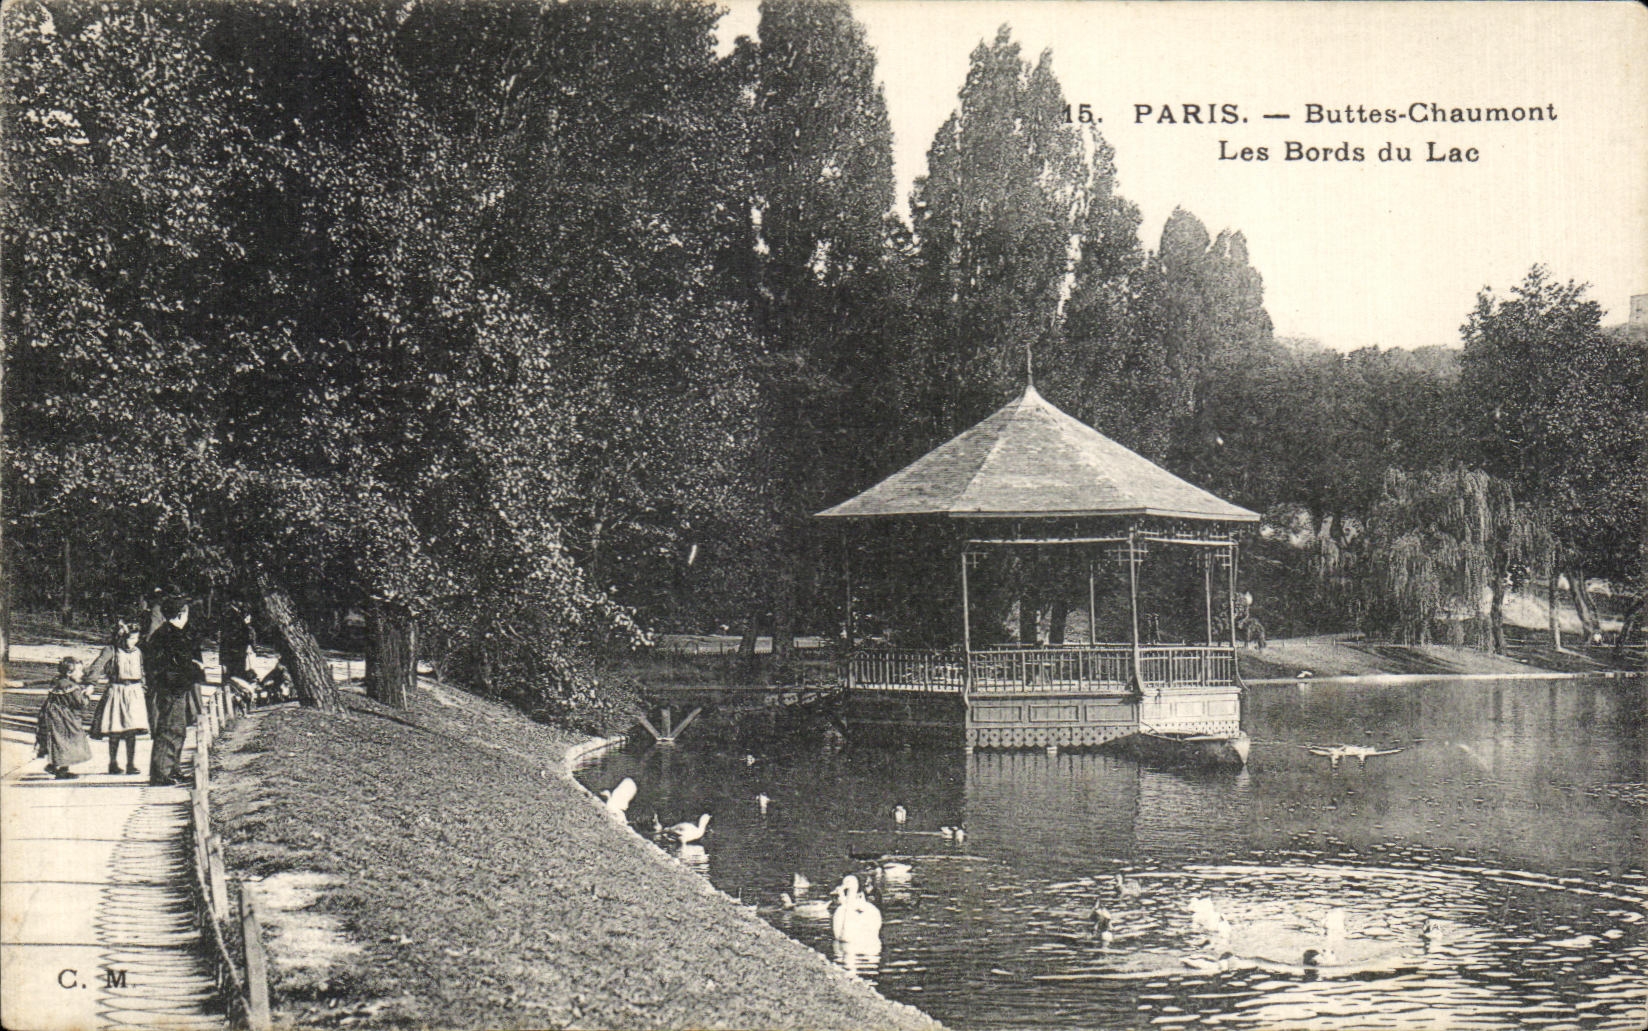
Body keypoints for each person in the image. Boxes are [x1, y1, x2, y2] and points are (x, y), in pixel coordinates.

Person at [144, 596, 203, 786]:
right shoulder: (170, 635)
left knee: (178, 730)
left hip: (176, 688)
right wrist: (193, 669)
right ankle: (161, 773)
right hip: (172, 689)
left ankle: (172, 768)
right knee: (170, 729)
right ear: (181, 613)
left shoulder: (170, 633)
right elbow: (171, 666)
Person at [90, 622, 149, 775]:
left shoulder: (138, 652)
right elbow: (97, 666)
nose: (133, 642)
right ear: (121, 638)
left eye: (136, 638)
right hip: (117, 690)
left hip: (134, 692)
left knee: (132, 729)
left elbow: (143, 670)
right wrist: (90, 683)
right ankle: (113, 762)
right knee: (115, 728)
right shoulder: (112, 651)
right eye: (131, 639)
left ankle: (131, 763)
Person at [36, 656, 93, 779]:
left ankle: (56, 765)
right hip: (65, 717)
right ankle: (60, 769)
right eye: (79, 671)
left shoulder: (58, 681)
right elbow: (80, 703)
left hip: (51, 714)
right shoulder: (72, 687)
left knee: (58, 740)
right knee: (69, 740)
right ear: (69, 673)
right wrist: (87, 695)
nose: (82, 674)